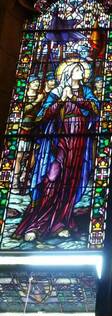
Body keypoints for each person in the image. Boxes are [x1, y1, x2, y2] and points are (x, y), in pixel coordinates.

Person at [14, 59, 99, 242]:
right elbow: (42, 116)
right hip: (59, 139)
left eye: (81, 70)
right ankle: (37, 224)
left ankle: (61, 222)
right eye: (76, 69)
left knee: (71, 181)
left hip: (79, 141)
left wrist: (76, 99)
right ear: (68, 73)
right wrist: (61, 100)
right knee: (53, 176)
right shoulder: (56, 92)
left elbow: (95, 109)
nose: (80, 72)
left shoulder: (87, 92)